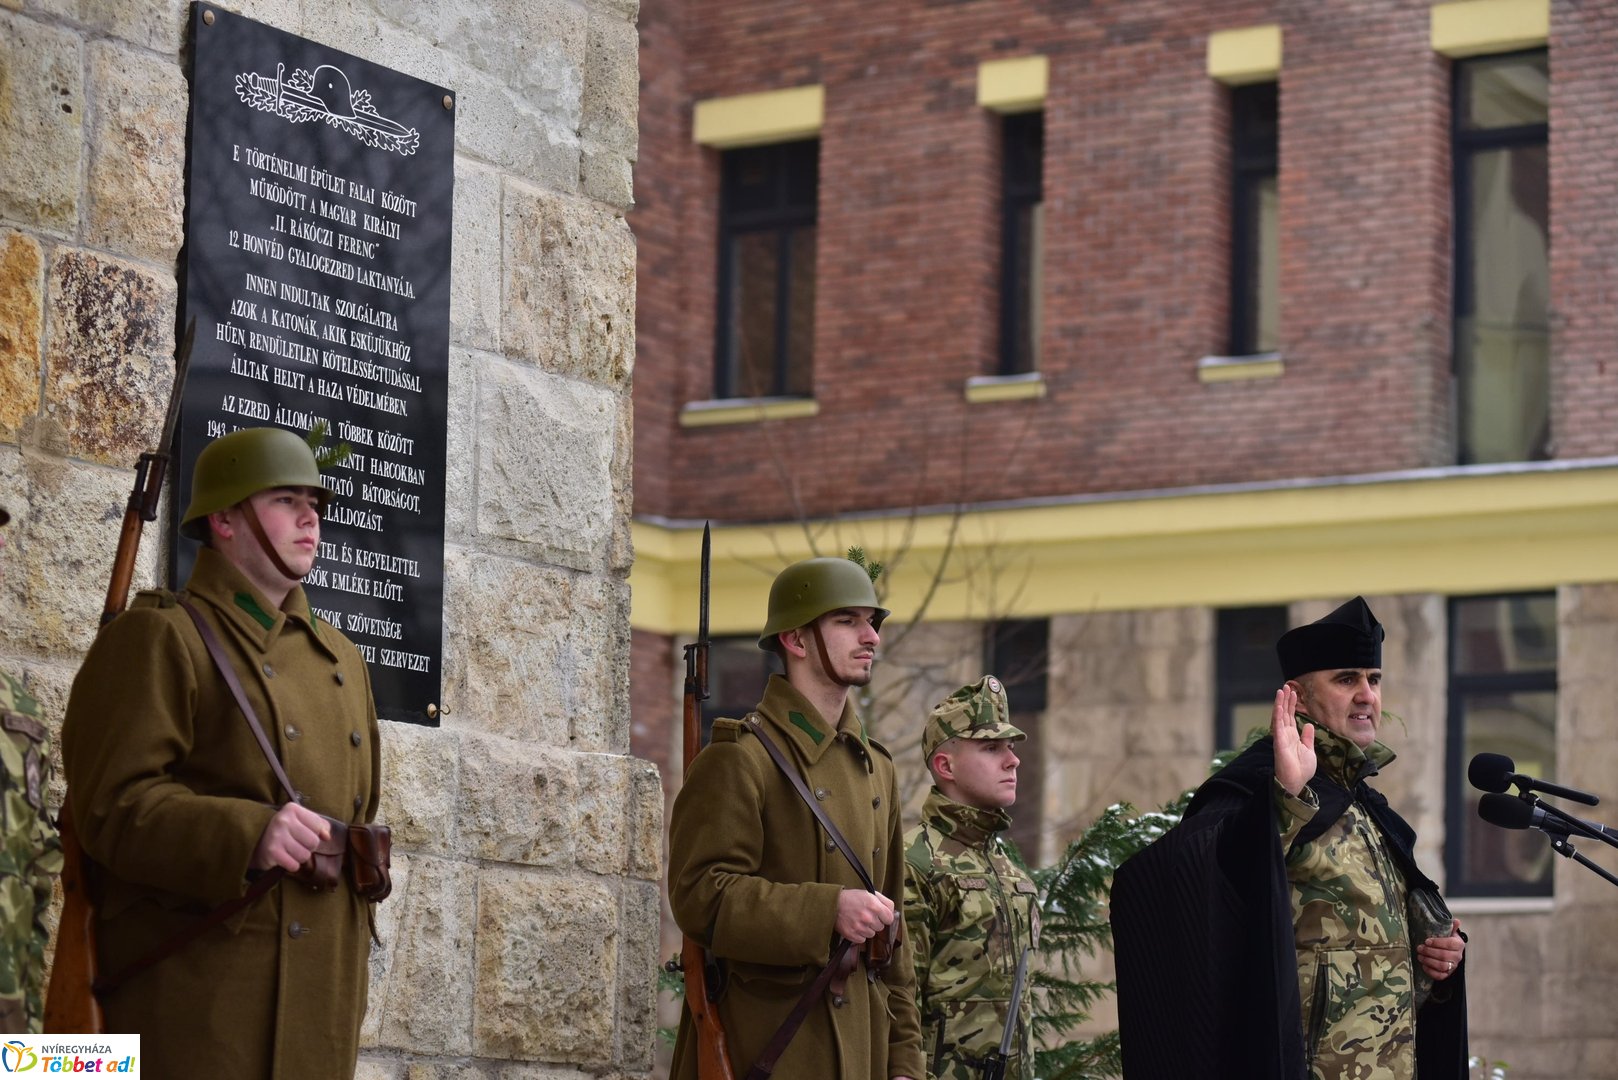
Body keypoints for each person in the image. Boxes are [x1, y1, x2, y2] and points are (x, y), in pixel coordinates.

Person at [61, 427, 380, 1078]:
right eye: (285, 500)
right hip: (202, 1001)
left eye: (314, 503)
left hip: (322, 996)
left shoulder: (341, 657)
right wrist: (249, 834)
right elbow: (112, 809)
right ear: (225, 519)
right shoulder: (161, 638)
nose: (309, 518)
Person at [1111, 596, 1469, 1080]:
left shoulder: (1366, 805)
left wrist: (1436, 958)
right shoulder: (1264, 789)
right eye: (1347, 679)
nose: (1367, 694)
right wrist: (1286, 797)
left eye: (1374, 679)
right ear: (1297, 698)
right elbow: (1206, 877)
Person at [667, 555, 924, 1079]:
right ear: (797, 640)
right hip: (776, 1047)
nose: (870, 636)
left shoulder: (877, 767)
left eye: (871, 621)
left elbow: (894, 942)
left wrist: (904, 1063)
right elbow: (700, 895)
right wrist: (826, 910)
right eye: (846, 621)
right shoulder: (742, 757)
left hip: (864, 1054)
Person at [903, 675, 1038, 1080]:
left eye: (1010, 749)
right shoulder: (914, 863)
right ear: (946, 765)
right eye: (991, 748)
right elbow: (895, 1000)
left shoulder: (1008, 868)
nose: (1012, 761)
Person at [0, 501, 64, 1033]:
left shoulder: (20, 712)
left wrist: (32, 1041)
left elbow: (36, 878)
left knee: (113, 1066)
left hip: (12, 1026)